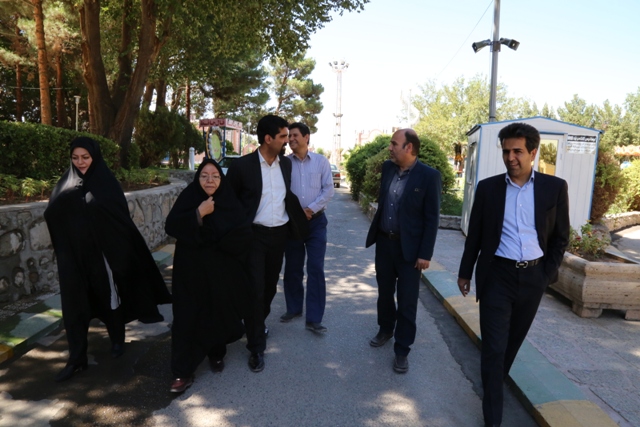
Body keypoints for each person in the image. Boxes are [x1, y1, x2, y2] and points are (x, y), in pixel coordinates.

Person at [456, 122, 570, 427]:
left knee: (510, 346)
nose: (511, 158)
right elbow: (476, 235)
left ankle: (493, 384)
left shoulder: (554, 188)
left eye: (517, 151)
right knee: (493, 348)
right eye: (506, 151)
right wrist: (465, 272)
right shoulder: (488, 188)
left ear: (533, 152)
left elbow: (561, 237)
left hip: (533, 278)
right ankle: (493, 416)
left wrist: (546, 274)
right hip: (497, 276)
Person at [44, 137, 172, 383]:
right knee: (74, 306)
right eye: (75, 157)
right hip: (74, 259)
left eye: (85, 157)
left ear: (95, 157)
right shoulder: (65, 184)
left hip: (104, 258)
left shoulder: (106, 184)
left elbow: (119, 220)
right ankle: (76, 359)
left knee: (109, 298)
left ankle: (117, 339)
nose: (80, 162)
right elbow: (53, 213)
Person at [226, 114, 308, 373]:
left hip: (279, 236)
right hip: (254, 237)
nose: (288, 141)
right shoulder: (242, 167)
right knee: (256, 289)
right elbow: (230, 203)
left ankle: (255, 323)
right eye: (283, 136)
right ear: (268, 138)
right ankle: (256, 346)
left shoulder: (286, 165)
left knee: (270, 288)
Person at [165, 159, 251, 393]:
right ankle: (181, 371)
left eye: (215, 176)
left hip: (220, 271)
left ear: (221, 179)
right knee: (185, 317)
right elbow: (171, 226)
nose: (210, 180)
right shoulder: (189, 197)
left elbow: (242, 233)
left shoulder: (229, 200)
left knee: (217, 311)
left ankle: (215, 353)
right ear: (197, 178)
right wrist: (198, 213)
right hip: (189, 271)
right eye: (204, 176)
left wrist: (222, 243)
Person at [365, 129, 442, 374]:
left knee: (407, 301)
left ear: (409, 148)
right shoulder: (388, 168)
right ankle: (386, 329)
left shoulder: (429, 176)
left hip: (410, 251)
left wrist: (425, 253)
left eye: (394, 144)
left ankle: (402, 349)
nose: (390, 148)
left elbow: (432, 218)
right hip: (385, 244)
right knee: (385, 293)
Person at [281, 122, 334, 333]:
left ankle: (314, 318)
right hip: (293, 223)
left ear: (306, 137)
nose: (291, 139)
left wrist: (310, 209)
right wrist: (297, 213)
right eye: (289, 136)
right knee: (293, 267)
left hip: (316, 223)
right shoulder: (284, 163)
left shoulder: (321, 162)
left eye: (295, 135)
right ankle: (294, 308)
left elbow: (328, 190)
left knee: (315, 268)